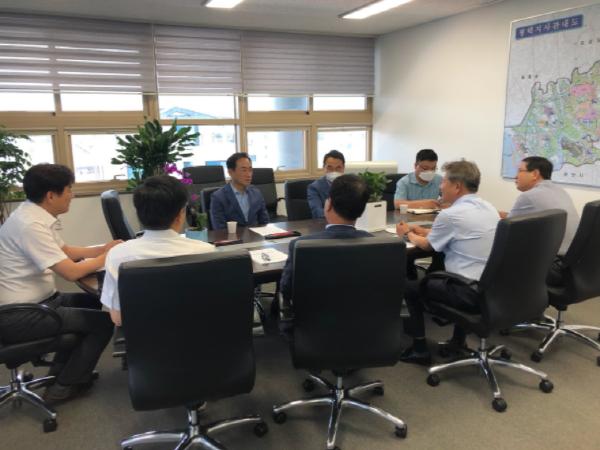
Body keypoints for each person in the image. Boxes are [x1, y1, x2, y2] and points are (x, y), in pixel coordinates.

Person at [0, 163, 119, 403]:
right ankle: (62, 387)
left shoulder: (34, 214)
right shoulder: (30, 225)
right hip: (19, 315)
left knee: (91, 301)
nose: (71, 195)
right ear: (51, 195)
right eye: (68, 190)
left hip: (39, 301)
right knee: (104, 323)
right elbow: (71, 272)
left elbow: (65, 251)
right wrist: (107, 257)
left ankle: (61, 374)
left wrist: (102, 249)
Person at [396, 160, 499, 365]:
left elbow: (427, 246)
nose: (441, 186)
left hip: (467, 291)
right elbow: (459, 232)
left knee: (408, 288)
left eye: (444, 182)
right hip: (493, 285)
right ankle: (458, 342)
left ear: (457, 186)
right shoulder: (488, 207)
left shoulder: (450, 214)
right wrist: (425, 231)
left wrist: (406, 233)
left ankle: (419, 349)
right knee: (450, 270)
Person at [100, 175, 215, 326]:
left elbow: (118, 318)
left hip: (144, 339)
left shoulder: (118, 255)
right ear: (180, 214)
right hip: (200, 335)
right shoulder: (206, 252)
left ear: (139, 213)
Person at [280, 174, 372, 305]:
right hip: (364, 315)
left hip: (312, 317)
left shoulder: (300, 245)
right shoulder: (376, 243)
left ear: (329, 205)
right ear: (362, 211)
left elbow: (286, 290)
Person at [502, 156, 579, 256]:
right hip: (572, 256)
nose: (516, 176)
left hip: (552, 259)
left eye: (520, 171)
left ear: (535, 174)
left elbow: (507, 228)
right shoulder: (560, 191)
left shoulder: (528, 196)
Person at [210, 152, 270, 230]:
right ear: (231, 172)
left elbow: (265, 222)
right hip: (232, 237)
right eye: (244, 170)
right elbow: (220, 229)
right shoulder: (218, 197)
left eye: (250, 170)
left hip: (256, 236)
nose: (248, 175)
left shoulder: (256, 193)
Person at [307, 150, 346, 219]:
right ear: (324, 168)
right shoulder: (314, 188)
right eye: (330, 168)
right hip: (324, 223)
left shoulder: (349, 186)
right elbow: (317, 212)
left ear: (343, 168)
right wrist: (341, 216)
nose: (334, 171)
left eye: (338, 168)